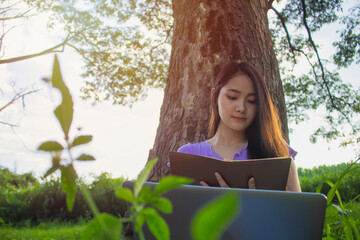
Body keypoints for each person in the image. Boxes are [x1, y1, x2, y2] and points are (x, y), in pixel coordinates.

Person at [178, 60, 301, 192]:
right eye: (232, 97)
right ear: (214, 96)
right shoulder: (189, 155)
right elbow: (179, 209)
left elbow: (298, 210)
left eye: (251, 101)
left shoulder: (276, 150)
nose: (241, 108)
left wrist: (249, 205)